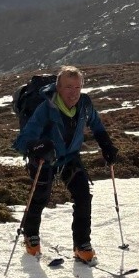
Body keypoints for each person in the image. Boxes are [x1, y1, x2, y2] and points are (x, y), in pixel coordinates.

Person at [12, 65, 118, 263]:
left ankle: (82, 244)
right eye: (68, 87)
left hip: (70, 157)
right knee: (39, 198)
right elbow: (23, 140)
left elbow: (96, 124)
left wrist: (106, 145)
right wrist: (37, 147)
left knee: (83, 197)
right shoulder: (46, 108)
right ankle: (31, 235)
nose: (74, 92)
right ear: (58, 87)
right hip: (44, 160)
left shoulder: (84, 104)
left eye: (77, 87)